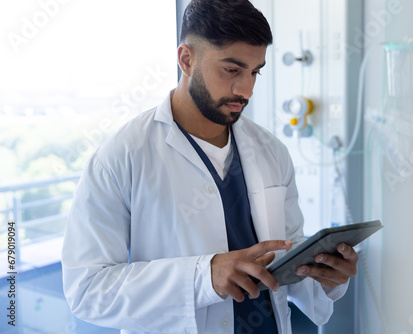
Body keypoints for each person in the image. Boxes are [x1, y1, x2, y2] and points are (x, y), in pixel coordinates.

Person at [61, 0, 359, 333]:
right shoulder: (121, 157)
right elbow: (87, 291)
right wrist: (205, 276)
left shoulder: (271, 151)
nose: (245, 89)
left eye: (255, 71)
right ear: (186, 59)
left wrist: (326, 274)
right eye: (231, 70)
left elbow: (286, 259)